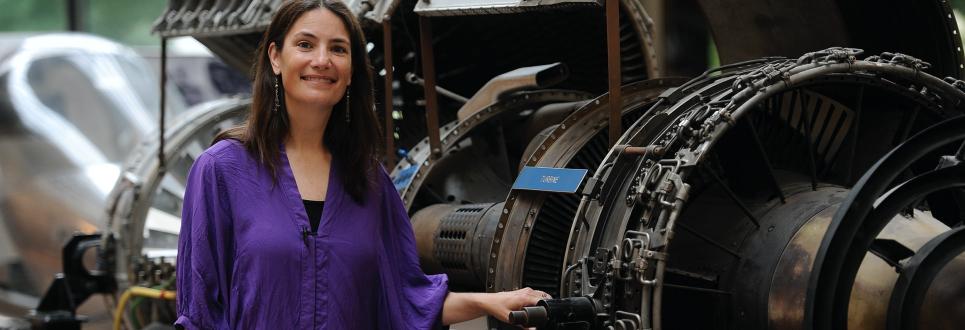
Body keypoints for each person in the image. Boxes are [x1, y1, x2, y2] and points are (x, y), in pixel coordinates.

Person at [174, 0, 550, 329]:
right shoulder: (220, 171)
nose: (322, 60)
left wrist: (492, 301)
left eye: (338, 49)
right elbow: (199, 313)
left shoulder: (369, 181)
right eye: (305, 44)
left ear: (351, 69)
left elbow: (406, 301)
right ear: (276, 57)